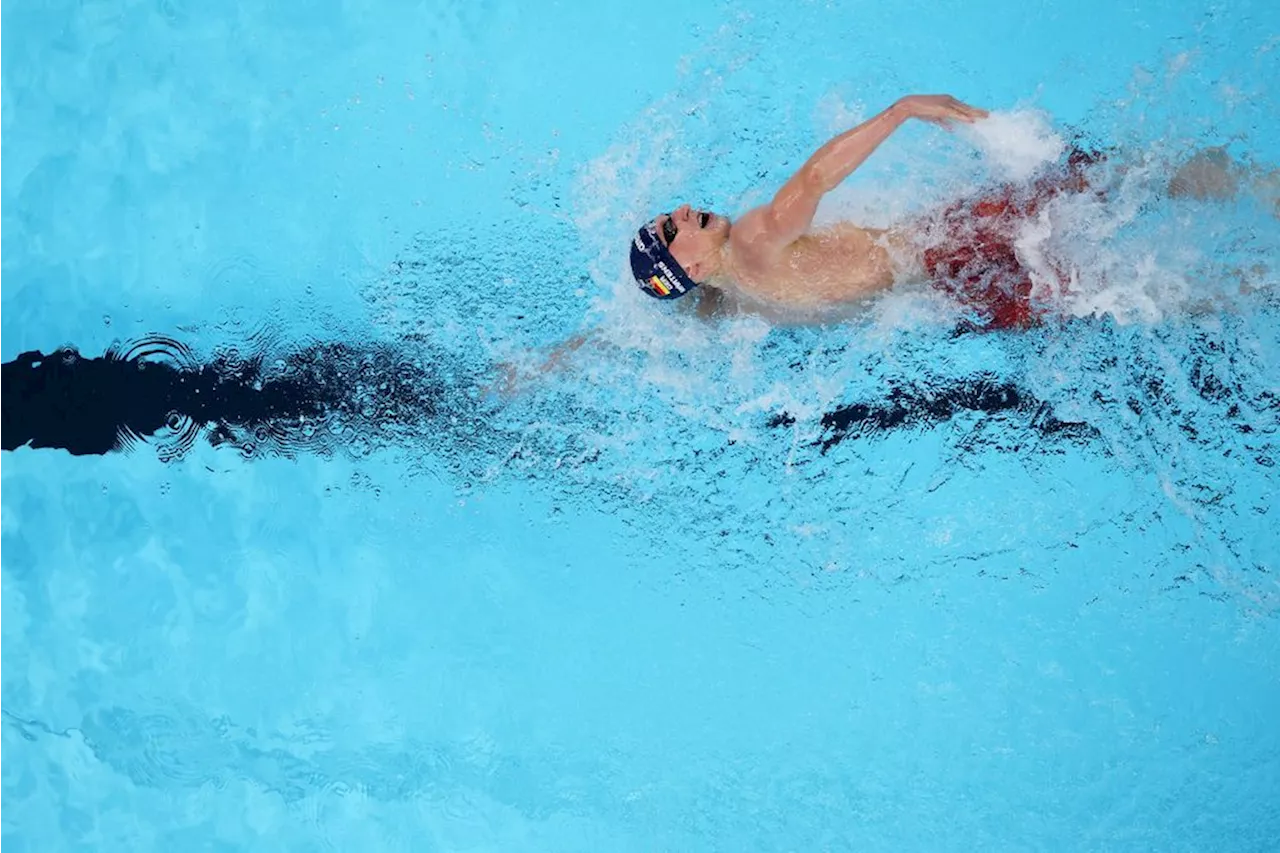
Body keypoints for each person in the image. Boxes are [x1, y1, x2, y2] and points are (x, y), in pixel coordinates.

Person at [491, 94, 1277, 395]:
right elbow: (814, 179)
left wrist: (548, 362)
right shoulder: (758, 240)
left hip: (945, 295)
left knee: (1113, 296)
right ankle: (1256, 189)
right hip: (945, 249)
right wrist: (903, 111)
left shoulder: (721, 305)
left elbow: (629, 333)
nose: (685, 210)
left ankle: (1250, 289)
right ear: (688, 263)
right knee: (1095, 177)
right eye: (675, 227)